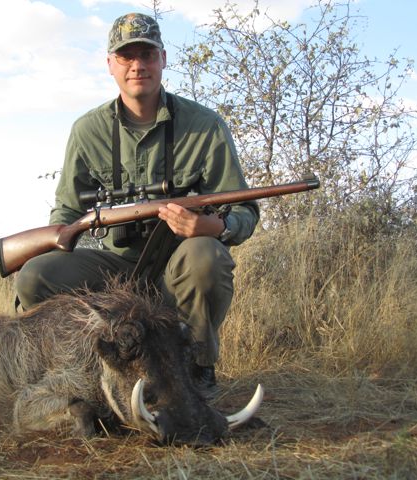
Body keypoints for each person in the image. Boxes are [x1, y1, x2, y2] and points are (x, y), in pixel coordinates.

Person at [16, 13, 259, 389]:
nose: (137, 65)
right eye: (126, 56)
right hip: (112, 271)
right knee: (35, 276)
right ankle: (83, 376)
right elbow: (66, 212)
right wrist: (65, 234)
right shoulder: (87, 130)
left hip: (173, 270)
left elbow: (244, 209)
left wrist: (214, 227)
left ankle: (195, 370)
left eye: (146, 54)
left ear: (163, 59)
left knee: (205, 256)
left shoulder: (204, 124)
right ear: (110, 64)